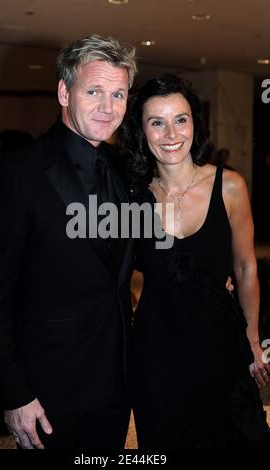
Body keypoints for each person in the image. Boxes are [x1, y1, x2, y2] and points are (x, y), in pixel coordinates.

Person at [0, 35, 137, 449]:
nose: (108, 106)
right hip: (47, 388)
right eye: (94, 91)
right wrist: (15, 393)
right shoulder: (17, 174)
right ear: (64, 92)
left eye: (118, 94)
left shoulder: (125, 169)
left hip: (117, 380)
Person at [120, 74, 270, 448]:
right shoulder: (131, 196)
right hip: (156, 355)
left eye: (180, 119)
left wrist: (252, 339)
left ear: (194, 123)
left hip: (222, 349)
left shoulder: (230, 186)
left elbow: (247, 268)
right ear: (142, 130)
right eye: (157, 122)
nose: (171, 132)